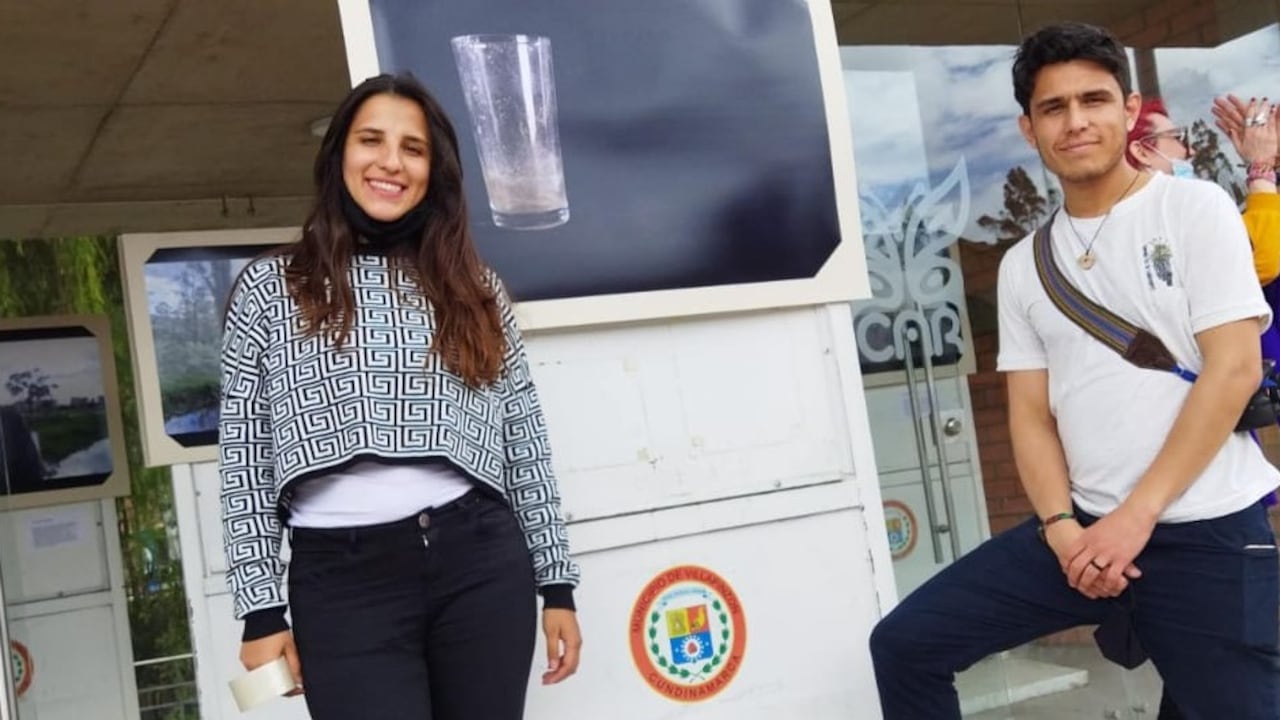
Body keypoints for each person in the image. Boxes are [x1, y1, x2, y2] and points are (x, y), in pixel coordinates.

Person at [868, 22, 1280, 719]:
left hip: (1203, 531)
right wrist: (1061, 526)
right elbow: (1029, 414)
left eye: (1094, 99)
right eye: (1054, 108)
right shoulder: (1023, 263)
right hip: (1080, 532)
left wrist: (1134, 519)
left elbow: (1234, 369)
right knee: (906, 645)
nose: (1077, 121)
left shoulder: (1193, 209)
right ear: (1029, 129)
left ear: (1128, 108)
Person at [218, 72, 582, 720]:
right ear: (339, 158)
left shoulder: (475, 287)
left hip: (479, 563)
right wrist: (259, 611)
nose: (391, 161)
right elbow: (243, 463)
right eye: (371, 140)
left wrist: (557, 585)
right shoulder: (270, 289)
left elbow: (524, 438)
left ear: (433, 171)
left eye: (413, 148)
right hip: (342, 582)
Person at [1127, 95, 1280, 720]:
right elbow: (1259, 257)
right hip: (1211, 452)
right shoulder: (1154, 226)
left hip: (1231, 439)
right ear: (1142, 150)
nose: (1188, 151)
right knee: (1230, 638)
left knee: (1217, 651)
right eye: (1175, 139)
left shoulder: (1185, 213)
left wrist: (1263, 169)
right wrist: (1261, 171)